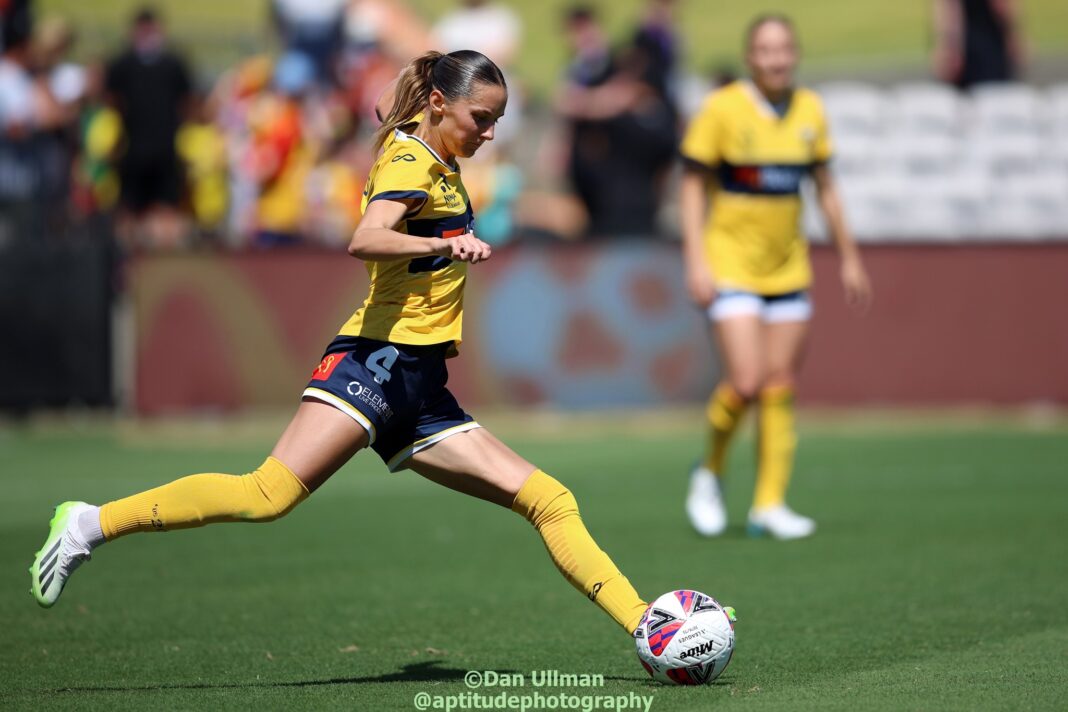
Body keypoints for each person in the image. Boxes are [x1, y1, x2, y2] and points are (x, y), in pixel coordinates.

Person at [29, 50, 650, 644]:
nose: (489, 133)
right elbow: (366, 238)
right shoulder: (412, 167)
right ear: (439, 103)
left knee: (549, 499)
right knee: (266, 494)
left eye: (497, 121)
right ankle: (88, 523)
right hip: (376, 361)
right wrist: (440, 245)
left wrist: (429, 65)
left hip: (419, 384)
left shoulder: (421, 132)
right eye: (481, 118)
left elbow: (390, 104)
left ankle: (648, 626)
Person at [680, 15, 872, 540]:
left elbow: (826, 187)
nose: (775, 59)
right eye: (765, 50)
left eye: (784, 49)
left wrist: (849, 256)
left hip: (788, 268)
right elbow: (692, 187)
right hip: (731, 265)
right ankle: (709, 472)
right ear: (750, 57)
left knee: (780, 384)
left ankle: (769, 503)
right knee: (745, 382)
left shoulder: (810, 111)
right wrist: (696, 259)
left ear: (795, 54)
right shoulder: (721, 110)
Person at [105, 7, 192, 248]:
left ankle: (163, 268)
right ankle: (124, 270)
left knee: (166, 212)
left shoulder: (174, 64)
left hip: (165, 150)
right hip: (132, 151)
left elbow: (186, 104)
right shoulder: (121, 65)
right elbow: (112, 103)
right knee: (128, 213)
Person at [932, 0, 1021, 88]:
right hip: (988, 47)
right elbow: (1001, 8)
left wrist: (949, 46)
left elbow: (948, 11)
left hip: (966, 45)